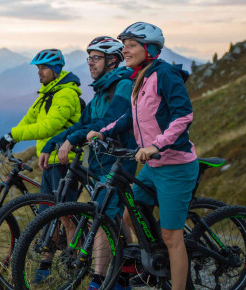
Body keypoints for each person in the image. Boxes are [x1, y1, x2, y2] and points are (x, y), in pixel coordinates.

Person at [88, 22, 198, 290]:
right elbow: (131, 117)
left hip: (174, 165)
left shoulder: (165, 75)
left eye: (131, 45)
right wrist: (103, 132)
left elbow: (184, 115)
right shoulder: (140, 76)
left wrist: (157, 145)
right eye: (124, 45)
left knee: (172, 237)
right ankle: (153, 261)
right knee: (130, 213)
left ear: (149, 49)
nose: (125, 50)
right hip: (153, 165)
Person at [36, 36, 138, 290]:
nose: (90, 63)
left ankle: (99, 281)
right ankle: (127, 268)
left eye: (96, 58)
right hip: (101, 164)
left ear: (112, 61)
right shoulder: (103, 90)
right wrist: (53, 144)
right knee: (113, 217)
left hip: (119, 161)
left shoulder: (123, 84)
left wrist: (72, 141)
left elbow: (111, 120)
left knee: (102, 216)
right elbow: (82, 124)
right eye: (89, 58)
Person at [0, 48, 82, 200]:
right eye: (38, 68)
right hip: (50, 159)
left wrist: (13, 135)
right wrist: (13, 138)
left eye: (44, 68)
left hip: (63, 161)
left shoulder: (66, 94)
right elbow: (30, 118)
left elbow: (49, 127)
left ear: (56, 69)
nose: (39, 72)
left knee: (65, 216)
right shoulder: (48, 92)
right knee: (47, 215)